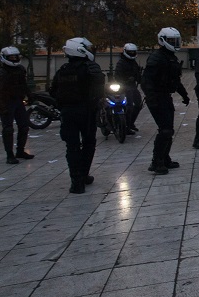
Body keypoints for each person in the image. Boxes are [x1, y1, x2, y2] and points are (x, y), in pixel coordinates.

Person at [49, 38, 105, 193]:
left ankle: (76, 182)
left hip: (67, 113)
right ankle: (83, 175)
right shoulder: (91, 68)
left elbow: (53, 91)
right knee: (88, 143)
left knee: (72, 147)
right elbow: (99, 90)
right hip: (86, 111)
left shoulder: (63, 70)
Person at [141, 27, 190, 175]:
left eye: (175, 40)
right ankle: (157, 162)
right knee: (165, 130)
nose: (174, 43)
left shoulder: (170, 57)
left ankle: (165, 158)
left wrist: (184, 94)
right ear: (162, 40)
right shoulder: (157, 58)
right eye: (171, 41)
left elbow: (175, 79)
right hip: (157, 97)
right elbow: (147, 81)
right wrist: (151, 98)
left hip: (165, 96)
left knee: (169, 129)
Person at [0, 46, 33, 164]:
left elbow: (23, 85)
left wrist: (30, 96)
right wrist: (2, 107)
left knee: (24, 127)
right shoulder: (1, 73)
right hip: (7, 103)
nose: (14, 59)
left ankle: (20, 151)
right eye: (12, 57)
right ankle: (9, 155)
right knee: (8, 130)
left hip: (18, 102)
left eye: (16, 56)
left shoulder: (20, 69)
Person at [114, 43, 143, 134]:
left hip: (132, 86)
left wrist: (140, 78)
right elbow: (117, 77)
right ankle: (125, 125)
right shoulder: (121, 63)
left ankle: (130, 123)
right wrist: (126, 80)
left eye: (133, 52)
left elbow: (137, 74)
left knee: (138, 104)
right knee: (129, 106)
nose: (132, 54)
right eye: (130, 52)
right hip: (124, 87)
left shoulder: (133, 62)